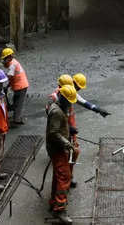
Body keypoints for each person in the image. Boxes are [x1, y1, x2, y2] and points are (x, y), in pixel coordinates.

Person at [47, 73, 110, 188]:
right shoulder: (56, 98)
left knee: (74, 153)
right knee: (63, 163)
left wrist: (98, 109)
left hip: (68, 127)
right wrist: (67, 128)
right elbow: (53, 126)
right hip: (61, 131)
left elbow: (82, 101)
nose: (77, 90)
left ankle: (69, 176)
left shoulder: (69, 93)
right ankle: (64, 181)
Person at [46, 84, 77, 224]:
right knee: (64, 176)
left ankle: (54, 202)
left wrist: (70, 130)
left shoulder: (59, 107)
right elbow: (54, 133)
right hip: (57, 148)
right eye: (69, 101)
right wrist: (66, 143)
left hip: (57, 147)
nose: (71, 104)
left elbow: (58, 128)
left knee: (58, 175)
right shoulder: (57, 112)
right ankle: (60, 210)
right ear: (63, 98)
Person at [1, 48, 29, 127]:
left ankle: (16, 120)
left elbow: (9, 75)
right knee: (16, 101)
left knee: (18, 103)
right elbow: (12, 78)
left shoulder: (12, 65)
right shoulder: (13, 62)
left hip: (21, 86)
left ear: (9, 57)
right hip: (20, 86)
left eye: (4, 59)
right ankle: (16, 116)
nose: (4, 61)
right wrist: (7, 86)